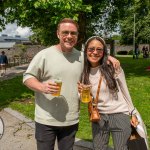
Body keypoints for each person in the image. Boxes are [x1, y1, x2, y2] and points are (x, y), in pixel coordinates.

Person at [23, 18, 120, 150]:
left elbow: (95, 55)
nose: (69, 36)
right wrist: (42, 87)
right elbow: (28, 77)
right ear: (58, 34)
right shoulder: (44, 55)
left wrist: (108, 57)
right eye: (65, 32)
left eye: (73, 33)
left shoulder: (82, 57)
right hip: (45, 120)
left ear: (77, 36)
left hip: (71, 120)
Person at [78, 36, 139, 150]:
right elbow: (83, 97)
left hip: (120, 115)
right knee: (99, 148)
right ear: (86, 50)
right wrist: (81, 93)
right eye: (91, 49)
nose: (95, 52)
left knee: (122, 148)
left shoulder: (113, 67)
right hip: (98, 116)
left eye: (99, 49)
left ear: (104, 51)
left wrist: (133, 112)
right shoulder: (83, 71)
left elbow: (125, 90)